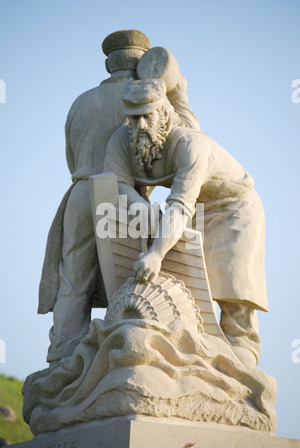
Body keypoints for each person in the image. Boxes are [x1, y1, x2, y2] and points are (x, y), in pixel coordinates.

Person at [38, 31, 200, 364]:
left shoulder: (82, 101)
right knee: (130, 275)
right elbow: (190, 135)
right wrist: (180, 94)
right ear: (141, 62)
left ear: (110, 62)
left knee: (74, 279)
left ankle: (63, 358)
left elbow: (71, 156)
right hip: (122, 196)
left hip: (82, 191)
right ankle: (130, 352)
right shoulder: (147, 96)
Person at [104, 79, 269, 367]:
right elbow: (115, 184)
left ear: (164, 113)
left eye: (147, 115)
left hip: (234, 207)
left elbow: (179, 206)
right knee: (192, 277)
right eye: (134, 117)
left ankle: (243, 349)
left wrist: (156, 253)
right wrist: (143, 209)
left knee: (230, 282)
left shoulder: (190, 146)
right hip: (195, 208)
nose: (140, 124)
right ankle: (199, 341)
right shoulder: (122, 140)